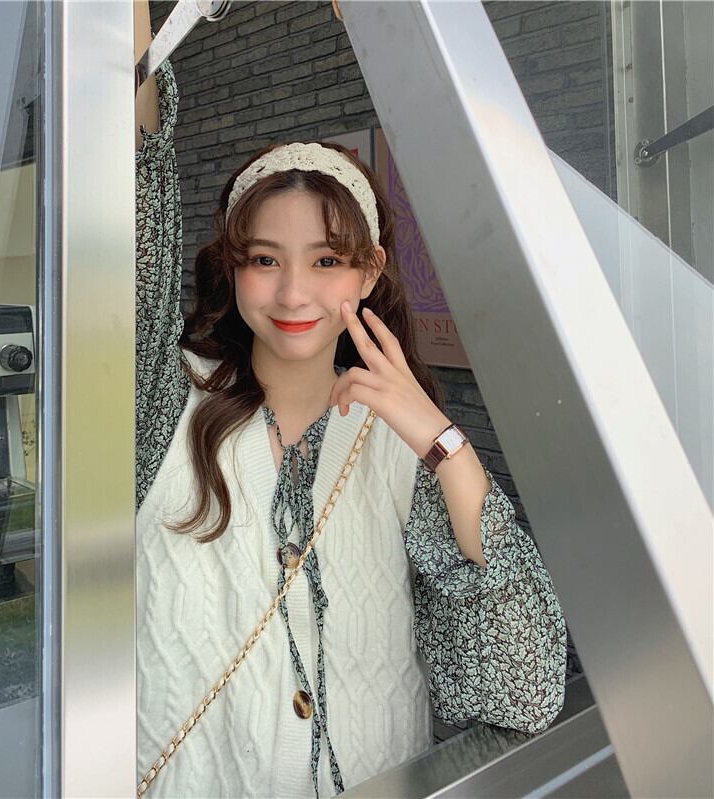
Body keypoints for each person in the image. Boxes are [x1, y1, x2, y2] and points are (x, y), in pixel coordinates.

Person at [134, 15, 566, 799]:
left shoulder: (401, 444)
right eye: (264, 259)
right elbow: (133, 196)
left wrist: (445, 445)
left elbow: (523, 690)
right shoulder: (168, 405)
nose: (294, 292)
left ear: (368, 273)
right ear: (232, 268)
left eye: (327, 260)